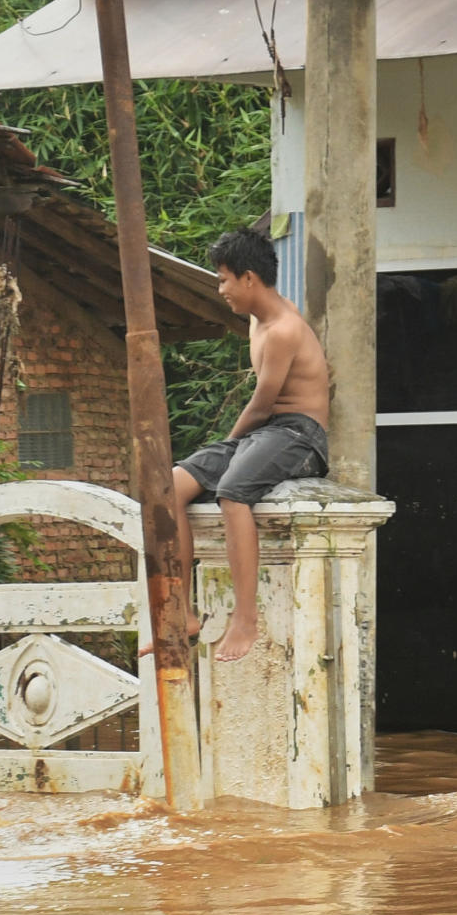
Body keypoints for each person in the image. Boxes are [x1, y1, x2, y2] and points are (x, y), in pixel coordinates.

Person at [170, 225, 330, 661]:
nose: (220, 288)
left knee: (233, 492)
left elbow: (262, 404)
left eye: (223, 278)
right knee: (169, 488)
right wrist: (228, 448)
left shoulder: (282, 329)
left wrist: (228, 446)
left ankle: (245, 618)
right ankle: (181, 613)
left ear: (248, 278)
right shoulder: (259, 320)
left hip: (299, 433)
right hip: (268, 432)